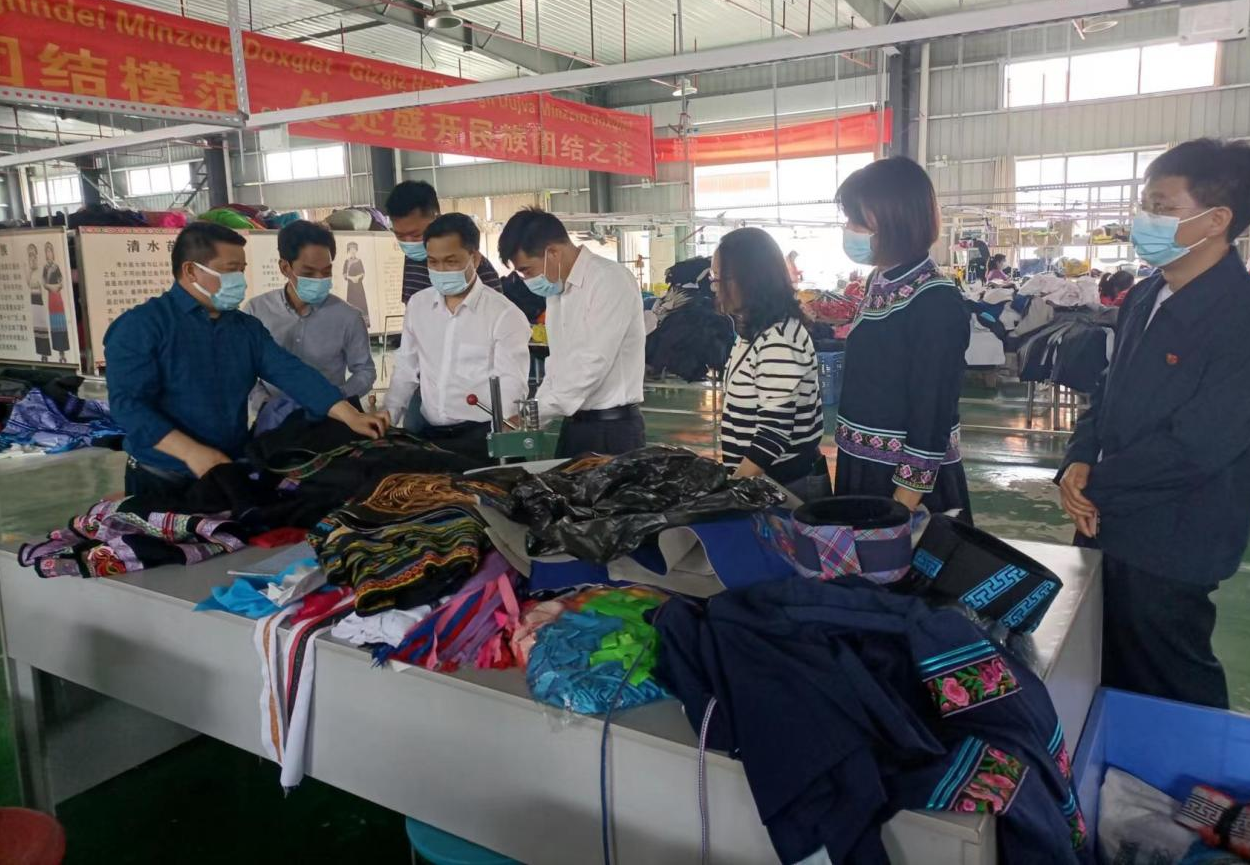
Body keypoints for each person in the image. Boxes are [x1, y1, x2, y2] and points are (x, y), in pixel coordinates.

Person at [1057, 138, 1250, 709]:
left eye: (1162, 207)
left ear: (1216, 220)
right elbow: (1107, 391)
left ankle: (1202, 767)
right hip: (1105, 517)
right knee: (1102, 666)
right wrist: (1077, 458)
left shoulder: (1238, 316)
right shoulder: (1145, 296)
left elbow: (1199, 446)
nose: (1145, 219)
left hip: (1173, 536)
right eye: (1144, 204)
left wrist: (1097, 485)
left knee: (1169, 679)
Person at [104, 222, 389, 498]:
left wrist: (350, 415)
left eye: (242, 270)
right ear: (191, 270)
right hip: (161, 477)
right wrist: (190, 452)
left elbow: (292, 372)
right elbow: (129, 406)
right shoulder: (141, 327)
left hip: (226, 470)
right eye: (231, 270)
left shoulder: (244, 328)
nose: (240, 280)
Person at [833, 157, 973, 518]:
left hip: (904, 484)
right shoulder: (879, 281)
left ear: (896, 220)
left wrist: (903, 502)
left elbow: (933, 409)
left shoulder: (935, 299)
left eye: (858, 221)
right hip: (860, 466)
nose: (849, 230)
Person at [498, 207, 646, 457]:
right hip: (575, 426)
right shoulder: (558, 291)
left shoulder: (608, 280)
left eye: (527, 270)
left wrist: (532, 414)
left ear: (553, 253)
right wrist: (532, 416)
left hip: (611, 432)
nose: (526, 280)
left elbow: (591, 363)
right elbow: (557, 366)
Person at [384, 213, 530, 463]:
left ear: (475, 258)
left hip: (481, 438)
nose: (441, 270)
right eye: (433, 262)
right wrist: (389, 413)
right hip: (431, 436)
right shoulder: (419, 306)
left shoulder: (504, 315)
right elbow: (406, 368)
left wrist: (504, 433)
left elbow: (511, 384)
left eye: (451, 262)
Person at [715, 228, 827, 500]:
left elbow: (773, 434)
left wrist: (731, 492)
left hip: (782, 487)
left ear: (748, 280)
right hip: (762, 480)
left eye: (719, 278)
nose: (715, 287)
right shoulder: (754, 331)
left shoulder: (778, 340)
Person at [244, 220, 376, 432]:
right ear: (285, 267)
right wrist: (266, 403)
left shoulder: (348, 317)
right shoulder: (256, 311)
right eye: (309, 272)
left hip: (331, 421)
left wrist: (334, 399)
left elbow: (365, 371)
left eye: (326, 271)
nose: (319, 279)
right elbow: (245, 370)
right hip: (274, 421)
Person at [385, 180, 502, 305]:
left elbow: (495, 308)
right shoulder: (407, 261)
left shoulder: (475, 266)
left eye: (416, 235)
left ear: (436, 218)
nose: (409, 243)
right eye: (400, 236)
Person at [26, 243, 51, 362]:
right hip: (33, 301)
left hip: (41, 301)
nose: (32, 257)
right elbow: (29, 284)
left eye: (33, 253)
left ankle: (45, 353)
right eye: (30, 254)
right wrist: (30, 270)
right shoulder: (29, 271)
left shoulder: (41, 269)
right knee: (37, 328)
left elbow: (43, 284)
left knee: (42, 327)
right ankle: (41, 353)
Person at [342, 240, 369, 320]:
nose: (353, 251)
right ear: (349, 251)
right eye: (351, 249)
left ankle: (363, 320)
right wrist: (352, 278)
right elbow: (344, 274)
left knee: (360, 301)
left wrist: (357, 277)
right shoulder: (346, 261)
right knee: (351, 302)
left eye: (354, 249)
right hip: (351, 286)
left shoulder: (359, 261)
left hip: (359, 286)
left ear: (356, 250)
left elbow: (363, 273)